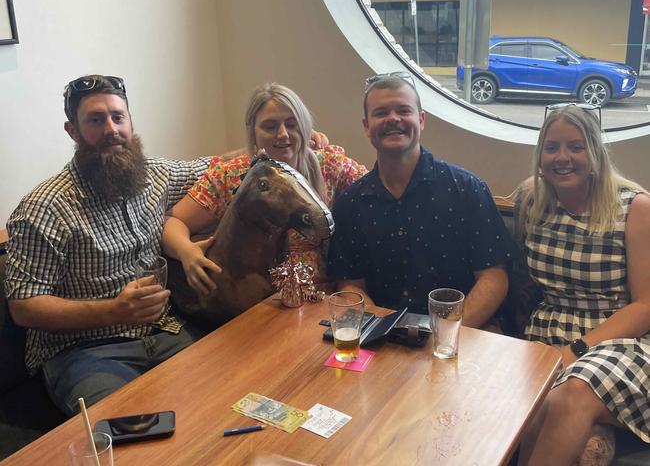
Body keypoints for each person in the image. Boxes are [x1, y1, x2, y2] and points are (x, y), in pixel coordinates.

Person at [5, 74, 211, 416]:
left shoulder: (156, 174)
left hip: (165, 331)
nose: (111, 129)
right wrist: (115, 310)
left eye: (118, 117)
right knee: (131, 429)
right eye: (96, 120)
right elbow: (24, 306)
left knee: (229, 388)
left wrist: (288, 141)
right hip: (84, 351)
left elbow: (220, 169)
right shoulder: (44, 209)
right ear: (73, 131)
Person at [515, 104, 650, 465]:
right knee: (537, 399)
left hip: (620, 339)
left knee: (572, 390)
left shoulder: (635, 207)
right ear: (540, 155)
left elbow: (646, 306)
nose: (563, 158)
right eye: (552, 147)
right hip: (546, 331)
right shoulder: (532, 200)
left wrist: (577, 349)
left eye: (576, 147)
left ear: (595, 153)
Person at [327, 73, 514, 327]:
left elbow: (494, 277)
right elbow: (350, 284)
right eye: (381, 113)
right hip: (382, 340)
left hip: (461, 337)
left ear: (421, 120)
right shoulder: (350, 204)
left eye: (403, 110)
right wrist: (385, 329)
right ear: (366, 126)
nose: (393, 118)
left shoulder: (466, 189)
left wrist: (447, 334)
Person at [161, 83, 367, 294]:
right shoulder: (231, 175)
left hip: (324, 299)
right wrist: (186, 251)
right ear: (253, 131)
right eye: (270, 126)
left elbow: (373, 190)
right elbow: (173, 220)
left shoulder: (330, 165)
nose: (283, 134)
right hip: (257, 303)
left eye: (292, 124)